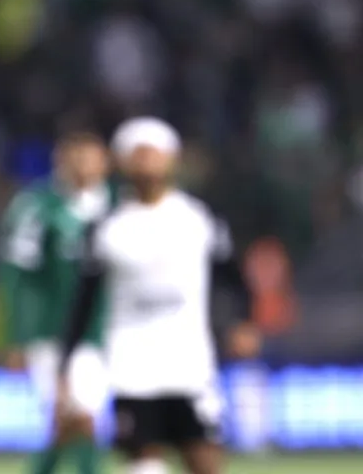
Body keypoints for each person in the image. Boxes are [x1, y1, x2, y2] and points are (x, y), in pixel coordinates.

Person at [59, 117, 261, 474]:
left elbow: (235, 279)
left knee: (205, 461)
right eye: (138, 154)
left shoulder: (201, 218)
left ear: (172, 158)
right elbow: (82, 302)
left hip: (190, 363)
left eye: (154, 153)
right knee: (144, 465)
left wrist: (244, 321)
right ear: (122, 162)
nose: (147, 162)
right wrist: (67, 366)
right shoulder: (106, 227)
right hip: (130, 364)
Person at [0, 131, 115, 474]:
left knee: (69, 424)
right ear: (59, 160)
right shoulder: (37, 207)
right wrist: (13, 336)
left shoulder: (117, 204)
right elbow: (15, 276)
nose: (83, 164)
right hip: (51, 332)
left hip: (106, 331)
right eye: (75, 155)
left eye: (90, 155)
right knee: (81, 417)